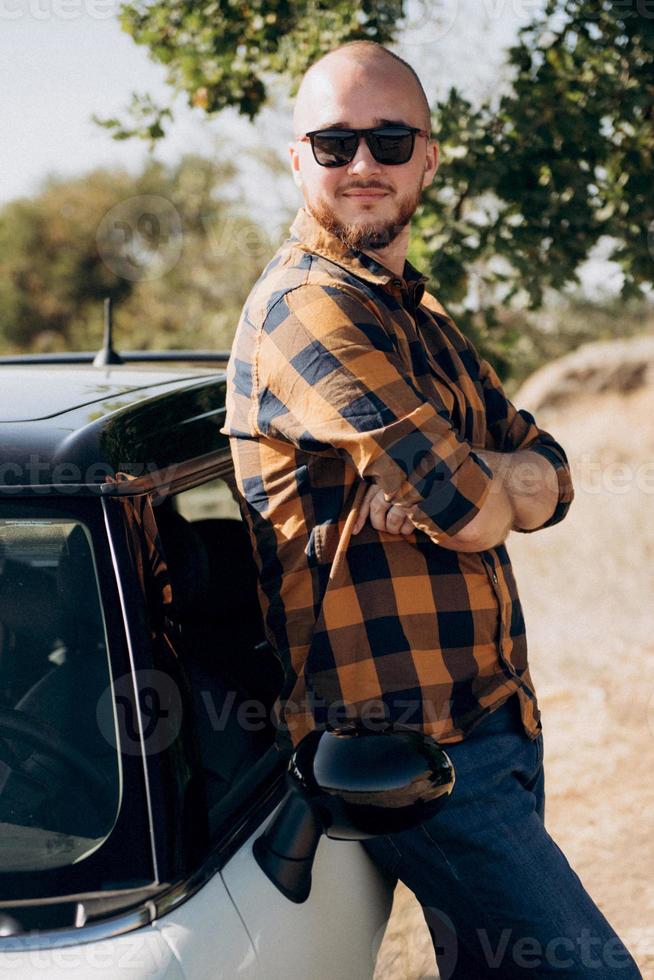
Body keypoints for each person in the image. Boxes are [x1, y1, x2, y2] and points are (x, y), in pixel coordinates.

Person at [222, 40, 642, 979]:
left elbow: (554, 475)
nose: (362, 164)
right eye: (333, 144)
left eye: (388, 138)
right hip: (405, 750)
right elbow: (478, 517)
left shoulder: (417, 312)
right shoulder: (308, 312)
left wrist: (483, 472)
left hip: (493, 716)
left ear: (428, 156)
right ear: (297, 160)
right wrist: (482, 485)